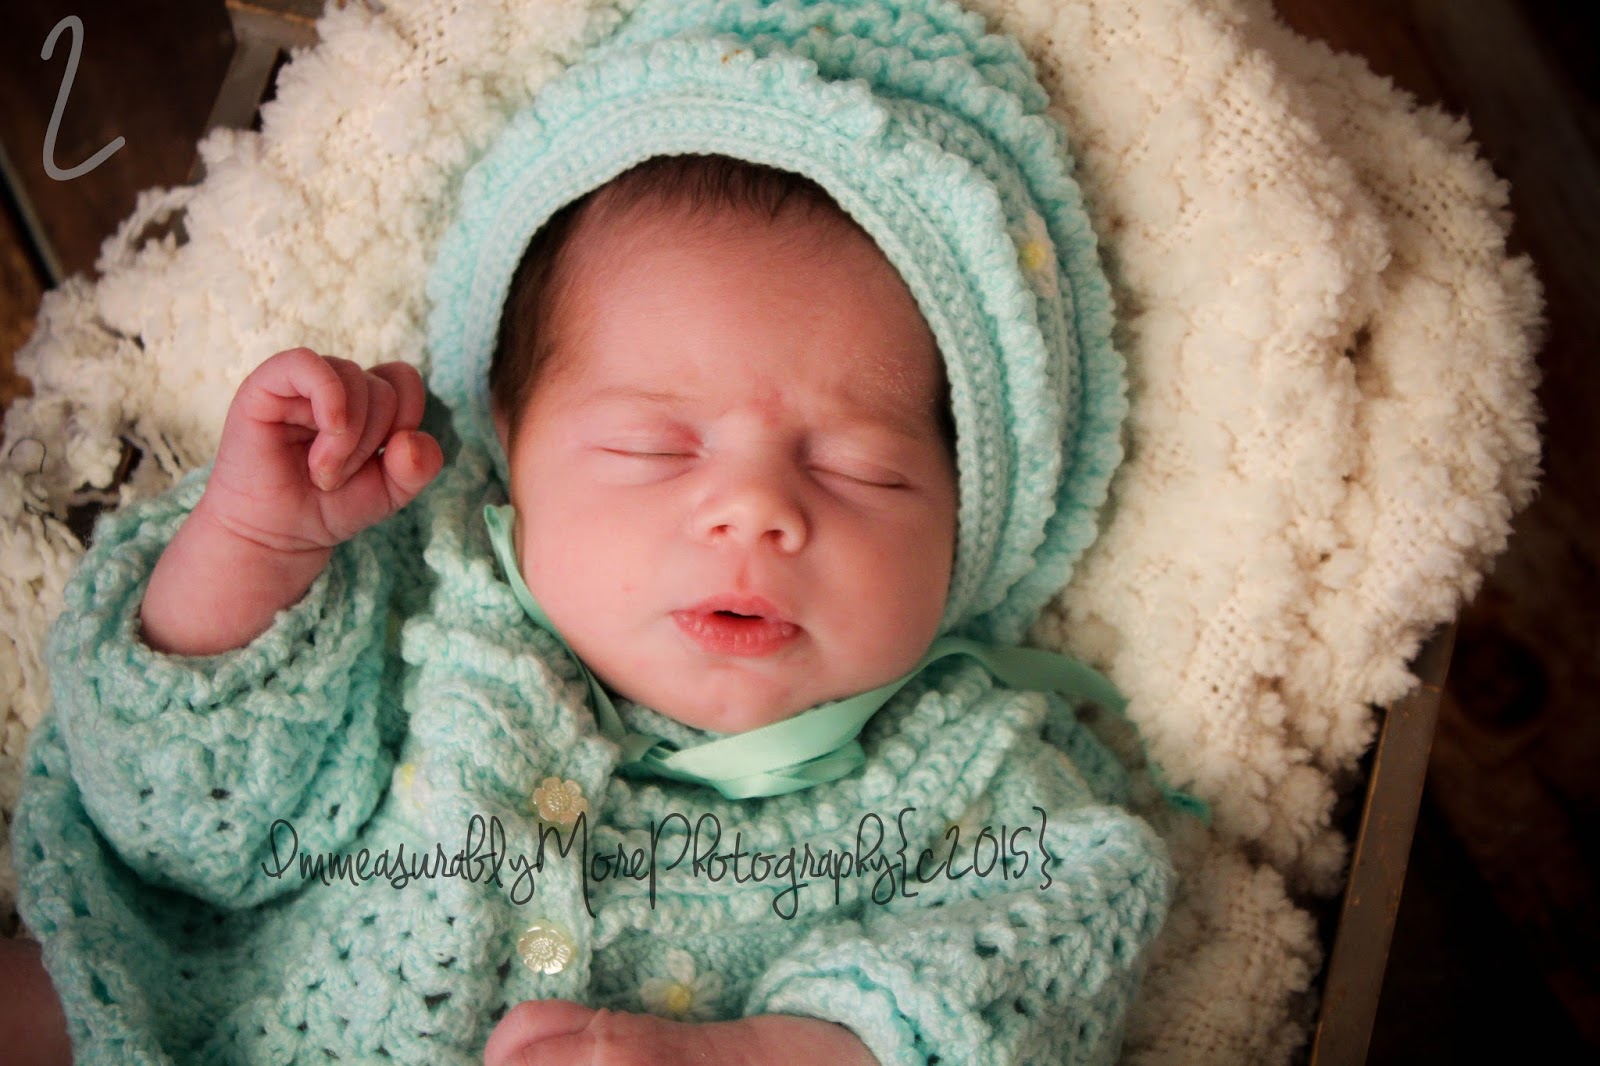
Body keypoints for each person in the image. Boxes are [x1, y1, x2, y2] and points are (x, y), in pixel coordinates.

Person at [13, 2, 1186, 1062]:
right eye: (654, 448)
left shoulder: (970, 777)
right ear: (510, 442)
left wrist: (764, 1052)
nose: (754, 511)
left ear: (971, 516)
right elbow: (181, 825)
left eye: (858, 467)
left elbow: (1030, 971)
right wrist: (255, 548)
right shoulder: (409, 600)